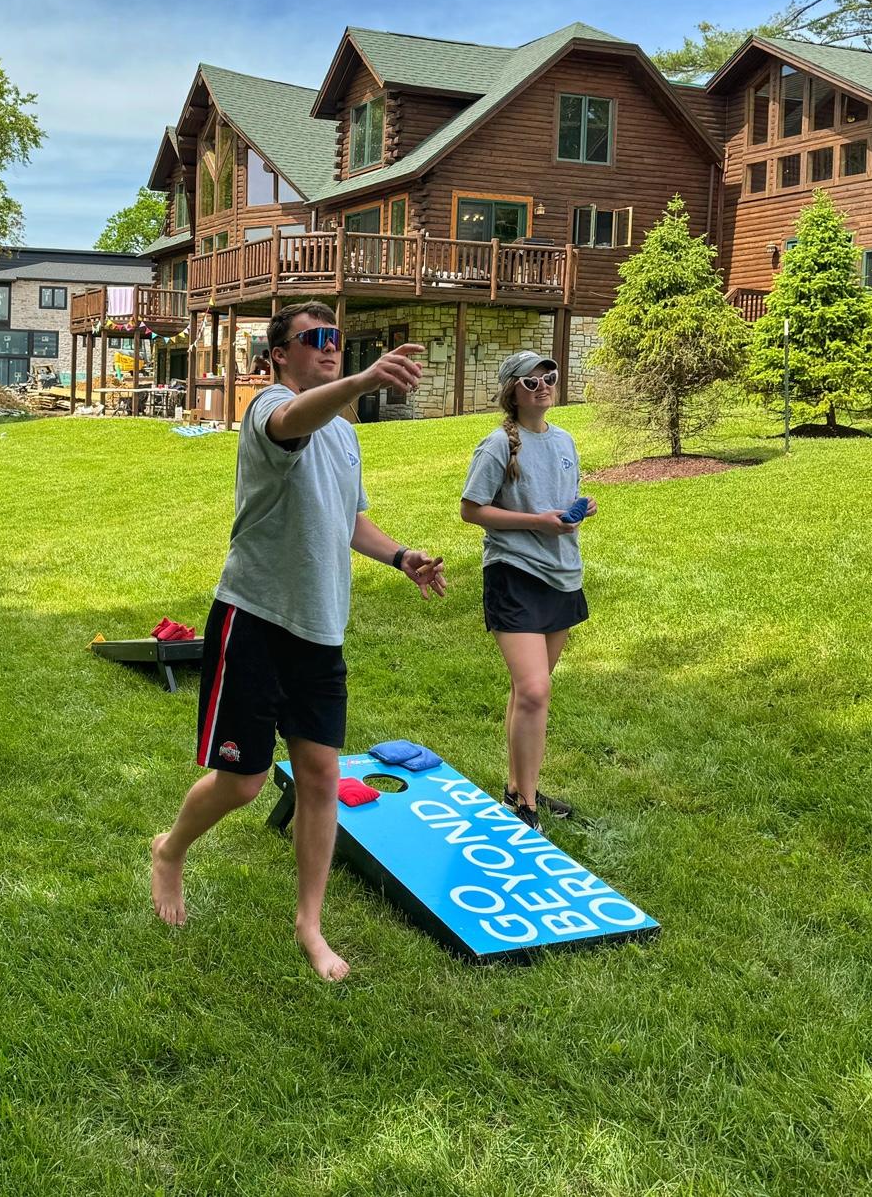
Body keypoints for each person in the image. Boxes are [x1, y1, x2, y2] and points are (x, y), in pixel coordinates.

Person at [149, 303, 446, 981]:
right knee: (244, 782)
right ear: (278, 355)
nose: (330, 349)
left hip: (321, 630)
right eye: (315, 340)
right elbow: (292, 423)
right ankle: (171, 850)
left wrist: (402, 557)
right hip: (254, 618)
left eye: (337, 339)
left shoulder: (343, 434)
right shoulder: (269, 409)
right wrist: (366, 379)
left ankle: (309, 925)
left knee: (320, 778)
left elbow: (349, 520)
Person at [459, 350, 596, 832]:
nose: (542, 387)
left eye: (549, 378)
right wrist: (537, 523)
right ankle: (527, 805)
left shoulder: (564, 440)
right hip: (514, 573)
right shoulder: (497, 444)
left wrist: (576, 509)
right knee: (536, 689)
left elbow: (554, 501)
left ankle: (520, 788)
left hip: (562, 574)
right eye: (530, 381)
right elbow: (472, 510)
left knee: (527, 691)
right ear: (512, 391)